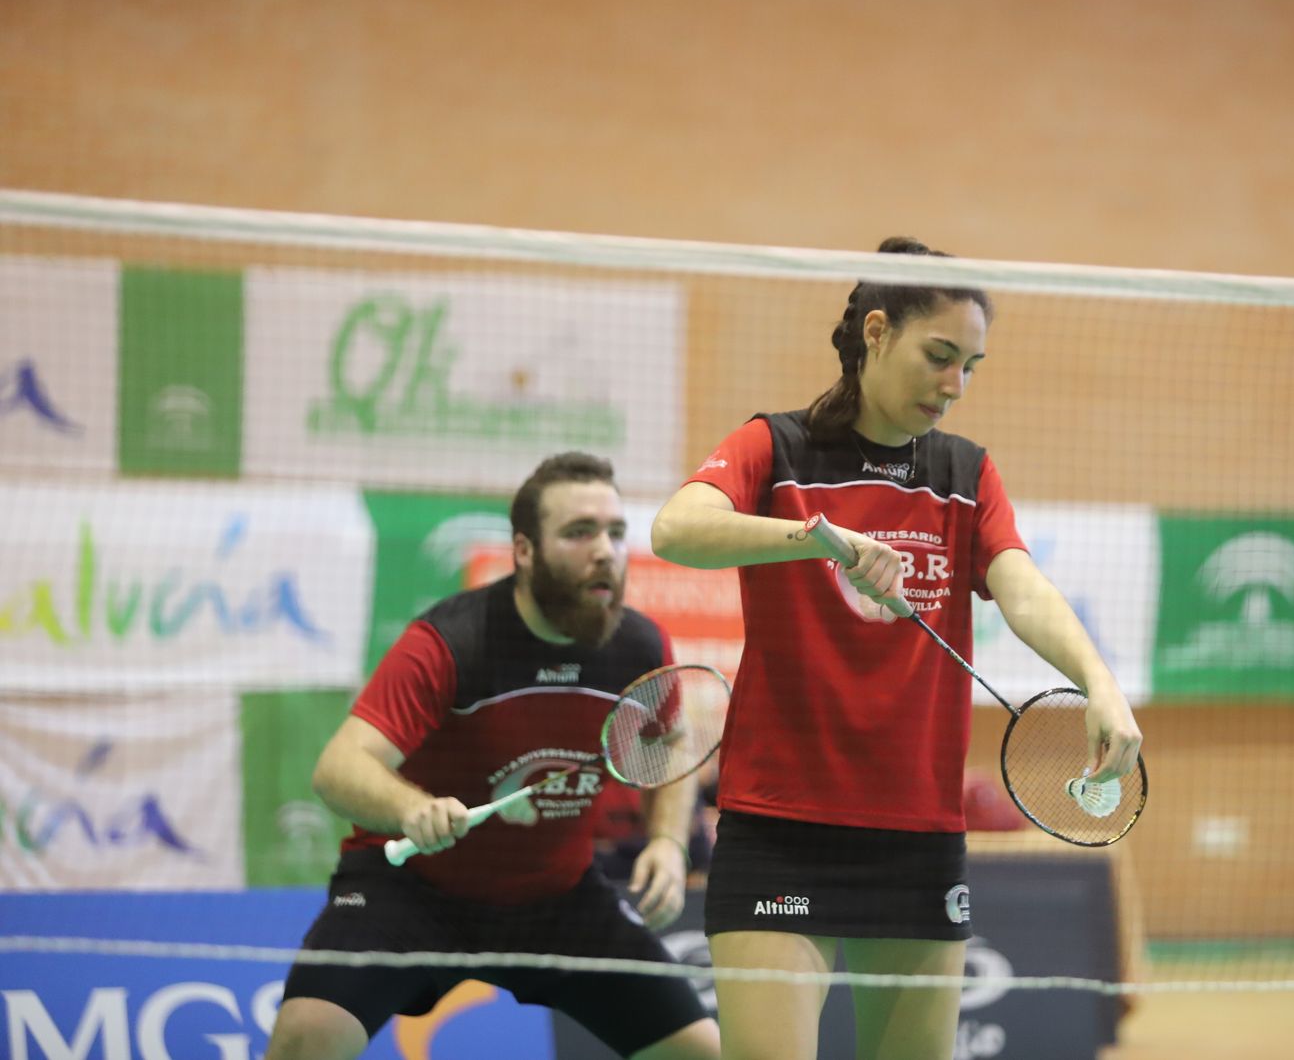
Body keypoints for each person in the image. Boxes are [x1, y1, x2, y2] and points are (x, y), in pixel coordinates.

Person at [651, 237, 1143, 1060]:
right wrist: (817, 538)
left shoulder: (964, 474)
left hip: (915, 833)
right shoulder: (778, 448)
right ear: (877, 332)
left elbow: (1021, 586)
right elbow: (677, 528)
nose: (955, 386)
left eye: (970, 367)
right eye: (939, 356)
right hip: (780, 828)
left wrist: (1100, 682)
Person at [266, 452, 721, 1060]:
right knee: (306, 1038)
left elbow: (667, 745)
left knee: (701, 1053)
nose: (605, 551)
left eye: (615, 533)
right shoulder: (452, 642)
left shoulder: (639, 645)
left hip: (559, 899)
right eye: (579, 532)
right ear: (524, 550)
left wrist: (666, 841)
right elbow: (338, 768)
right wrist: (411, 808)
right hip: (412, 891)